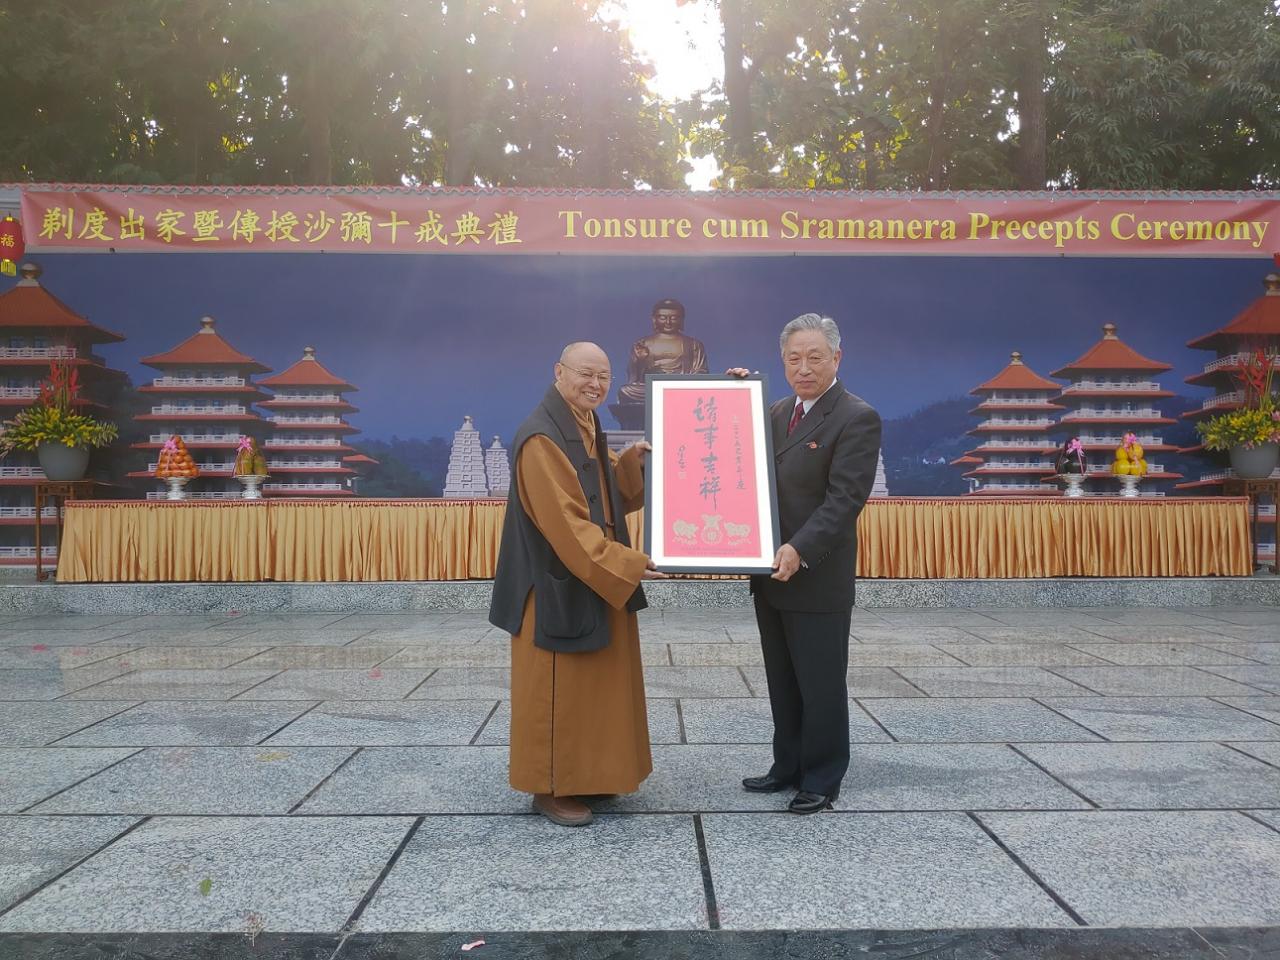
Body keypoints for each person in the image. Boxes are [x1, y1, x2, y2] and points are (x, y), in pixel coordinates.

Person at [489, 341, 667, 827]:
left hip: (588, 576)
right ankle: (551, 787)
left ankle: (588, 775)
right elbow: (567, 526)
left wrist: (635, 463)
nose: (595, 384)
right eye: (585, 374)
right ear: (559, 372)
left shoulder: (583, 423)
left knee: (594, 686)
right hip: (554, 585)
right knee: (558, 691)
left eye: (603, 376)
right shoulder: (542, 438)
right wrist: (627, 563)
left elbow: (603, 489)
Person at [730, 313, 881, 814]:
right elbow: (736, 453)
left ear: (837, 357)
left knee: (820, 682)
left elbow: (844, 500)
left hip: (815, 572)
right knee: (783, 678)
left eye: (815, 357)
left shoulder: (856, 416)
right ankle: (787, 765)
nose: (804, 367)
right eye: (794, 358)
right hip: (770, 573)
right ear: (782, 361)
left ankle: (822, 776)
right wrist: (733, 396)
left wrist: (800, 548)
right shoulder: (776, 412)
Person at [616, 298, 710, 404]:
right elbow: (635, 378)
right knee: (625, 391)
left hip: (680, 388)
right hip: (653, 389)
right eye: (663, 318)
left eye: (674, 318)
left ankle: (671, 396)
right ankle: (668, 397)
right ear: (654, 319)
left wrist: (681, 383)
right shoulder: (643, 344)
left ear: (681, 320)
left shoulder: (693, 344)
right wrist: (640, 361)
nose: (668, 322)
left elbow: (701, 372)